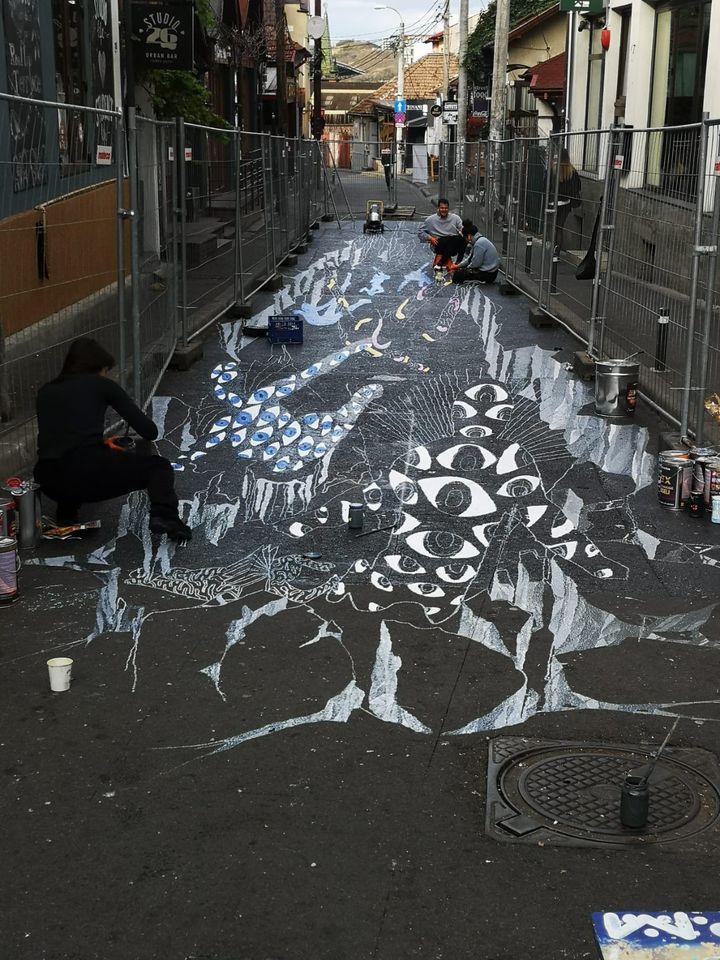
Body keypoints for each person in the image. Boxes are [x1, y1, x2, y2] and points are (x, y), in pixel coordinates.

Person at [34, 338, 192, 542]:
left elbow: (64, 436)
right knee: (158, 467)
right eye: (105, 371)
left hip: (48, 479)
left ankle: (66, 515)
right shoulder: (102, 385)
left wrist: (100, 444)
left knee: (72, 462)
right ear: (99, 367)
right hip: (87, 472)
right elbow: (149, 431)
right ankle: (165, 516)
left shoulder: (46, 391)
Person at [418, 198, 466, 269]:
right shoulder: (430, 220)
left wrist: (462, 231)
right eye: (442, 208)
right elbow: (420, 232)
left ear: (448, 208)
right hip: (439, 243)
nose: (444, 210)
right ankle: (449, 262)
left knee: (460, 239)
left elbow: (462, 229)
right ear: (438, 208)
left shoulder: (455, 218)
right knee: (452, 239)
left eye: (446, 208)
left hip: (453, 245)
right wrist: (430, 238)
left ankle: (454, 261)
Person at [553, 148, 582, 253]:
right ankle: (557, 250)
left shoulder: (553, 170)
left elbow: (545, 184)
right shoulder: (572, 171)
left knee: (554, 226)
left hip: (553, 202)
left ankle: (554, 247)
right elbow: (578, 186)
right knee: (560, 227)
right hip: (566, 203)